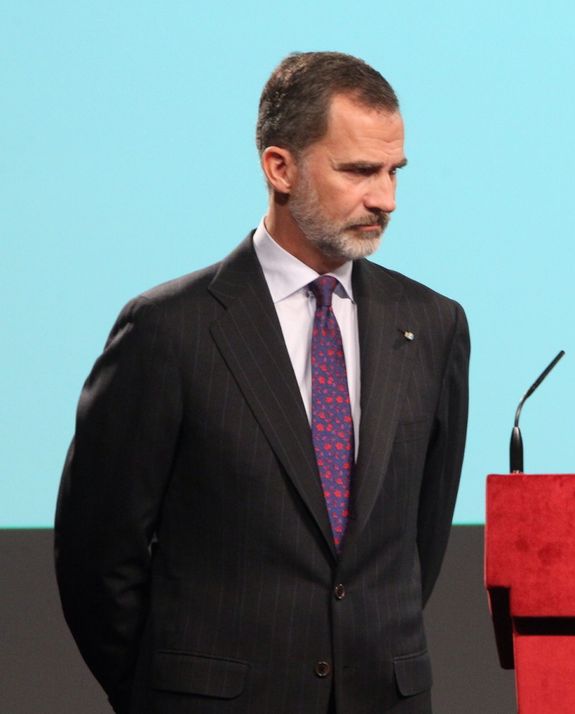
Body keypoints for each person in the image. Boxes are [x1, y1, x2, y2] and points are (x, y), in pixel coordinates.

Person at [55, 52, 469, 714]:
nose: (385, 198)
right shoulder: (169, 330)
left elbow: (420, 538)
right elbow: (98, 558)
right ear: (280, 167)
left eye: (394, 172)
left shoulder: (434, 325)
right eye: (359, 170)